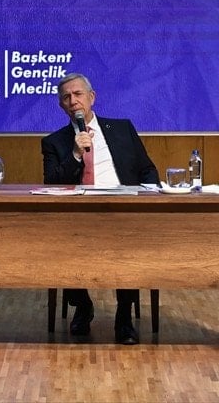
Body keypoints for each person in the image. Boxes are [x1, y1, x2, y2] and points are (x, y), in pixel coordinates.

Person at [41, 72, 159, 345]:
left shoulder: (122, 129)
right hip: (78, 213)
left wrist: (149, 199)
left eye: (78, 94)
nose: (73, 101)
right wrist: (74, 154)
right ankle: (83, 306)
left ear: (91, 97)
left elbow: (147, 169)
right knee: (62, 242)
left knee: (127, 246)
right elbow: (52, 182)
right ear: (61, 105)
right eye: (66, 97)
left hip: (123, 208)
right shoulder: (54, 142)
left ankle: (124, 316)